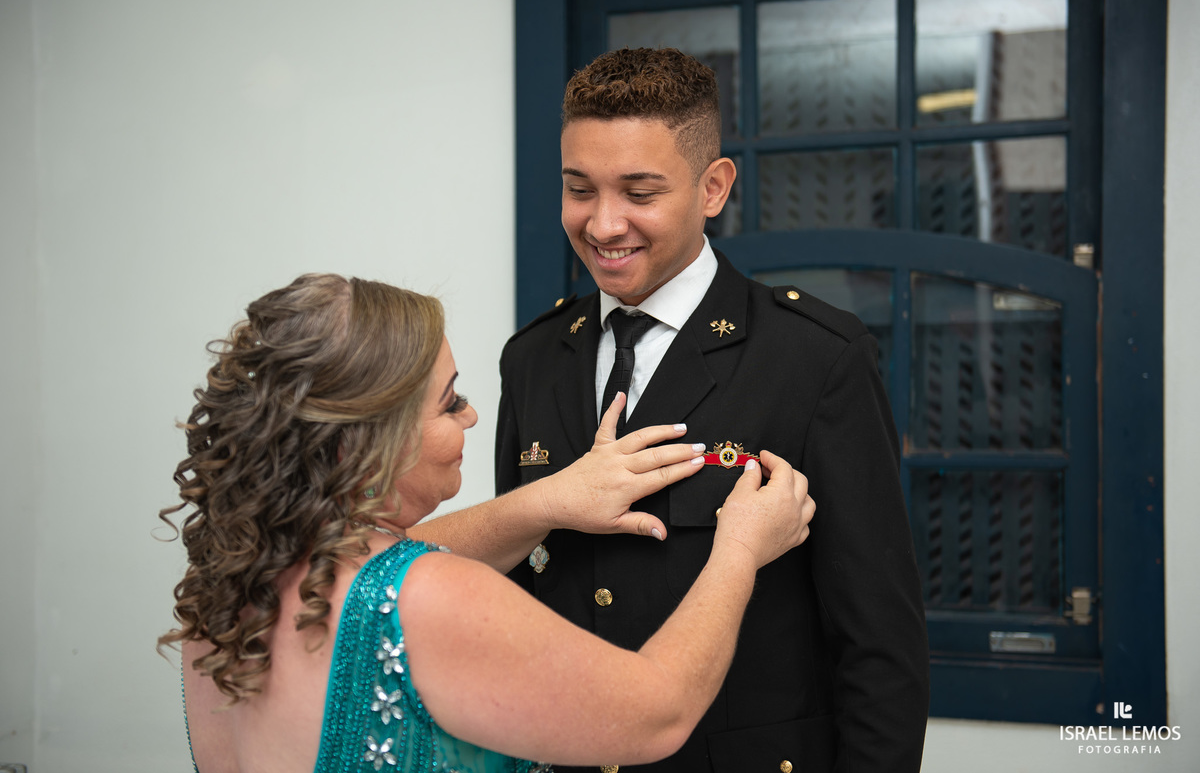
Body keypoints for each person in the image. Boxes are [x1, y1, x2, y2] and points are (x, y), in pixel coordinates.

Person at [159, 273, 815, 773]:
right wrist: (738, 548)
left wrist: (548, 500)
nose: (472, 417)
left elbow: (377, 563)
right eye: (449, 403)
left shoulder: (227, 588)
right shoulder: (423, 597)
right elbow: (658, 712)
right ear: (362, 446)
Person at [491, 48, 930, 772]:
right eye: (579, 189)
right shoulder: (533, 357)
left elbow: (879, 641)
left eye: (639, 191)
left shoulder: (814, 357)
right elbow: (518, 589)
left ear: (713, 187)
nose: (603, 224)